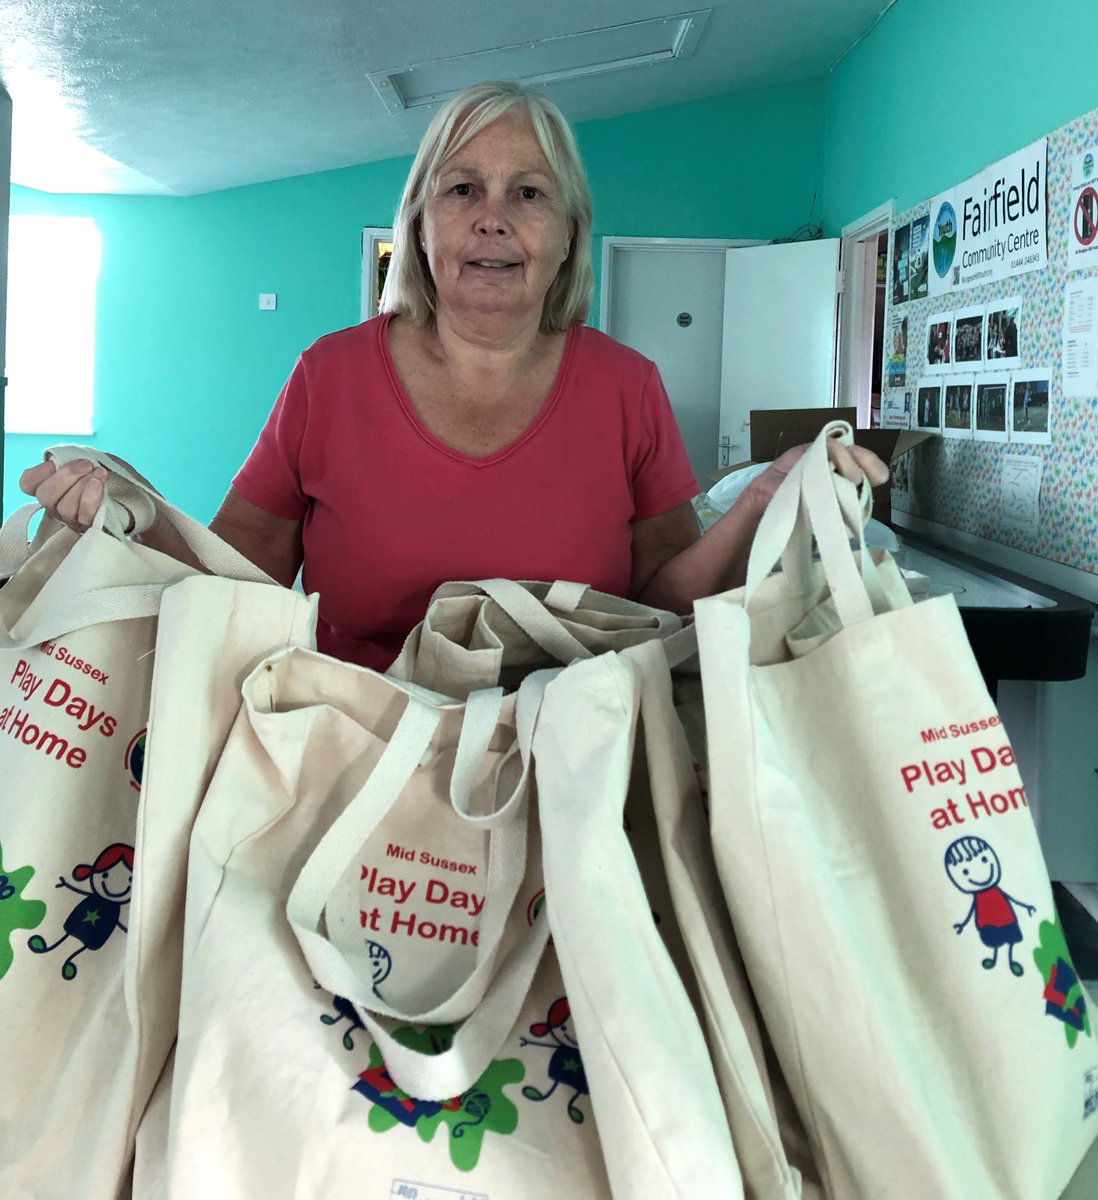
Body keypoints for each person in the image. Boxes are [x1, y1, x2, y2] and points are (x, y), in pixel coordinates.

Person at [18, 81, 888, 670]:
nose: (493, 221)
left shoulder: (628, 387)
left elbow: (661, 602)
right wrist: (127, 511)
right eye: (462, 189)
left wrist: (759, 503)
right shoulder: (329, 375)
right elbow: (234, 580)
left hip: (575, 772)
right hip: (351, 763)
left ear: (569, 234)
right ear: (421, 225)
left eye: (529, 194)